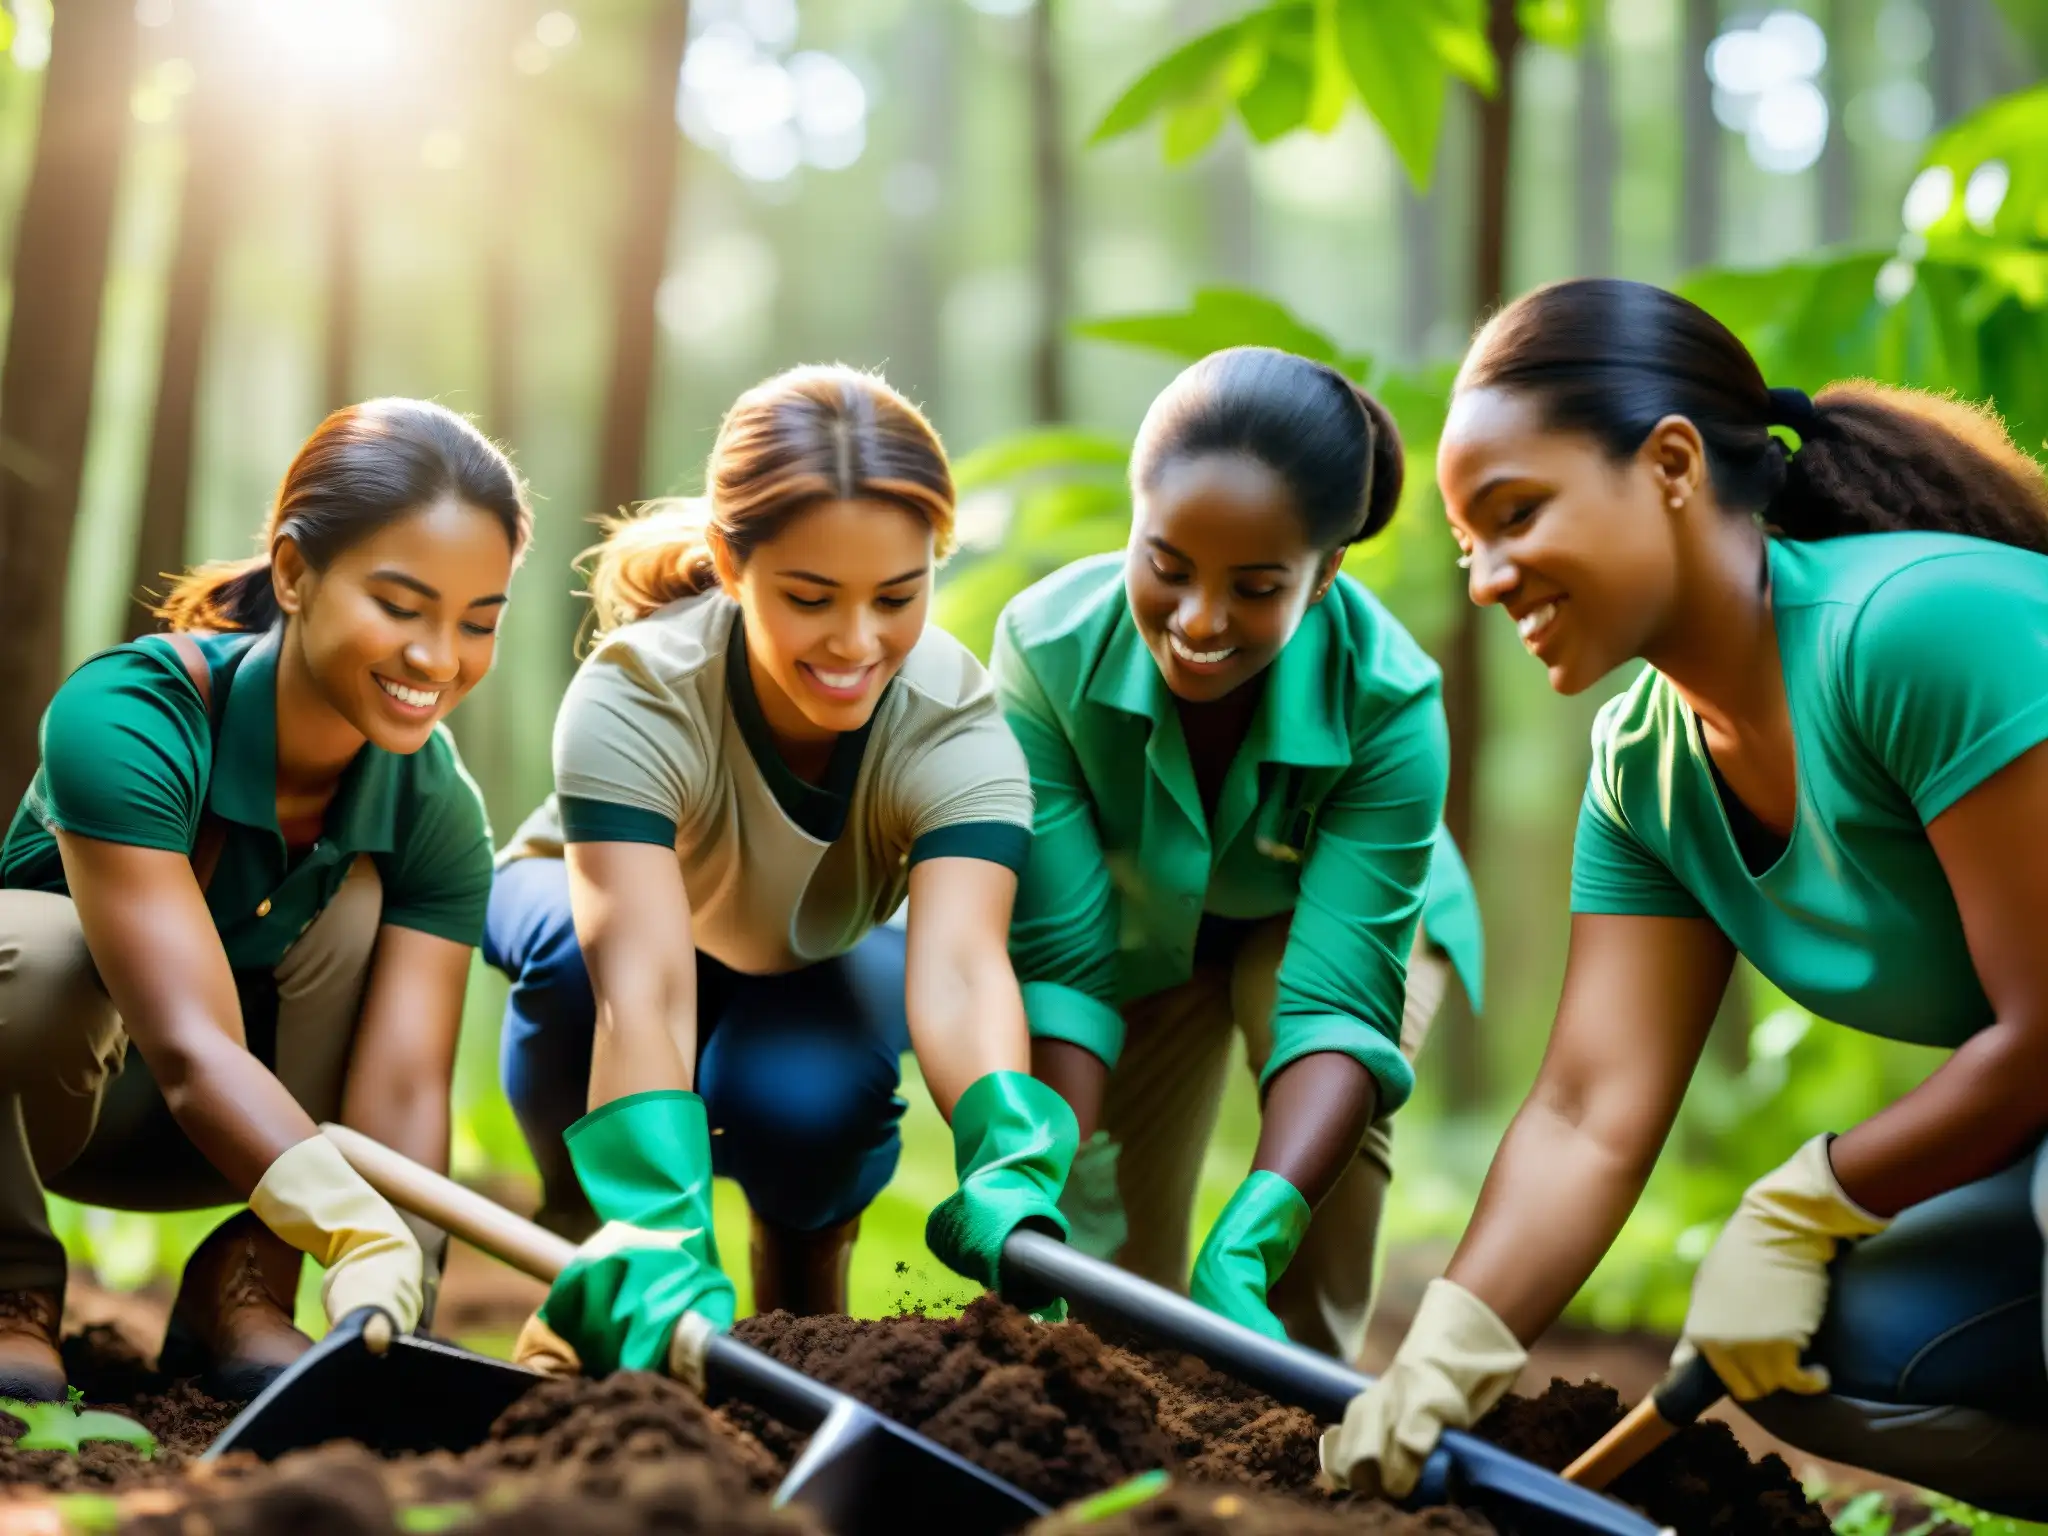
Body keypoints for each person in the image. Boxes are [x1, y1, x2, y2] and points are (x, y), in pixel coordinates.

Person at [1322, 277, 2048, 1518]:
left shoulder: (1920, 628)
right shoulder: (1645, 769)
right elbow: (1584, 1112)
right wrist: (1443, 1356)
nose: (1487, 580)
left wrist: (1811, 1194)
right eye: (1465, 546)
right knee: (1806, 1342)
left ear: (1667, 464)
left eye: (1515, 514)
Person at [484, 364, 1075, 1371]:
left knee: (807, 1102)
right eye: (810, 598)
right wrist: (665, 1224)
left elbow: (963, 965)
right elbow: (645, 988)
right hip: (601, 922)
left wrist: (1005, 1153)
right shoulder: (636, 692)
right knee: (588, 978)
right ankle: (598, 1251)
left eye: (897, 596)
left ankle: (800, 1324)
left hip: (809, 943)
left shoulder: (954, 724)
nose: (856, 641)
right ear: (727, 560)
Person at [0, 399, 529, 1401]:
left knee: (362, 907)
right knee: (52, 958)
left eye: (476, 623)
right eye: (401, 604)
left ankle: (245, 1288)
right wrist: (349, 1219)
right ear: (294, 572)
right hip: (53, 1108)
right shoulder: (129, 716)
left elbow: (406, 1088)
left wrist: (389, 1284)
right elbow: (193, 1046)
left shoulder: (434, 805)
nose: (436, 657)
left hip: (254, 1150)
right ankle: (9, 1286)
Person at [992, 346, 1484, 1357]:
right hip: (1137, 928)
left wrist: (1255, 1229)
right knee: (1108, 1281)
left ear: (1324, 574)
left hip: (1328, 918)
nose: (1200, 621)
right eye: (1165, 568)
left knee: (1327, 1116)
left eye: (1255, 586)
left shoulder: (1389, 701)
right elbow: (1064, 957)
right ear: (1131, 527)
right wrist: (1045, 1163)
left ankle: (1298, 1397)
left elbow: (1335, 1010)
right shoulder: (1044, 651)